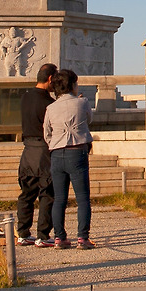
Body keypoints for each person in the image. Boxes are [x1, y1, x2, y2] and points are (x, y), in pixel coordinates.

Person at [43, 68, 93, 249]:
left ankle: (59, 237)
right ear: (72, 85)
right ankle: (83, 237)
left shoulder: (50, 108)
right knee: (82, 198)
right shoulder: (82, 102)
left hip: (56, 153)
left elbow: (46, 133)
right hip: (77, 151)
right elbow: (89, 120)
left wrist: (54, 143)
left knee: (60, 198)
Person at [16, 63, 57, 247]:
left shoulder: (25, 97)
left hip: (27, 150)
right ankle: (43, 235)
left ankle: (23, 233)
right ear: (50, 79)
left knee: (26, 194)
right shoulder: (50, 104)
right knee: (47, 193)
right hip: (44, 151)